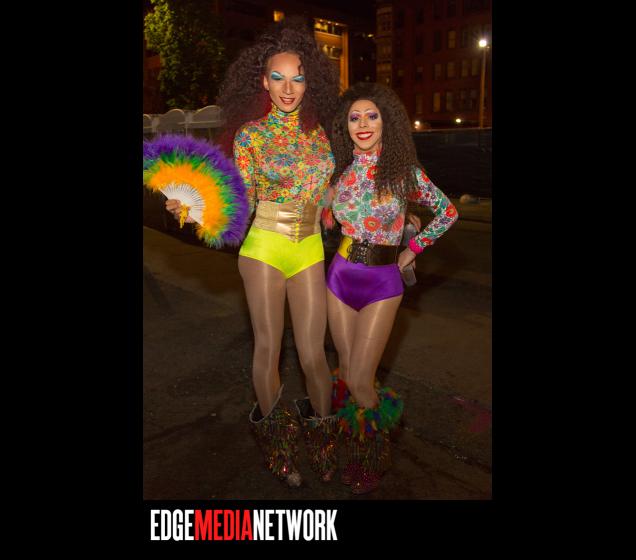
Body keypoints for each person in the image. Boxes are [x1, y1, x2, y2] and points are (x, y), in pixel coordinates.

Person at [165, 17, 340, 487]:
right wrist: (193, 206)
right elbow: (237, 198)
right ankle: (280, 449)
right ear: (263, 82)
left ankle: (324, 442)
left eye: (297, 77)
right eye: (278, 78)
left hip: (309, 248)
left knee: (313, 355)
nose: (289, 88)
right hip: (263, 246)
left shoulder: (321, 134)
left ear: (310, 81)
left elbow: (329, 196)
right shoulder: (251, 136)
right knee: (268, 348)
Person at [325, 82, 459, 494]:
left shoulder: (403, 173)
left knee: (362, 380)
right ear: (345, 127)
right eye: (355, 118)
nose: (363, 123)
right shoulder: (340, 173)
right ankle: (354, 446)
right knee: (346, 373)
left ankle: (372, 459)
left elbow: (447, 212)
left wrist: (411, 249)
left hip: (382, 282)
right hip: (339, 276)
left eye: (372, 116)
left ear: (387, 123)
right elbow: (320, 214)